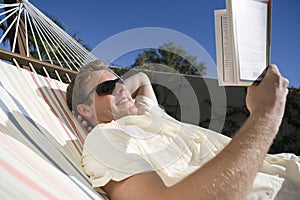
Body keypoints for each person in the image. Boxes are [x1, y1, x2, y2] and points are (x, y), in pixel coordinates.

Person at [67, 60, 300, 200]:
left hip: (284, 167)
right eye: (106, 87)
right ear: (85, 109)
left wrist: (117, 92)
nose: (119, 87)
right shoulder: (105, 138)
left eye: (119, 80)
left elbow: (142, 78)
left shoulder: (148, 112)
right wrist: (266, 114)